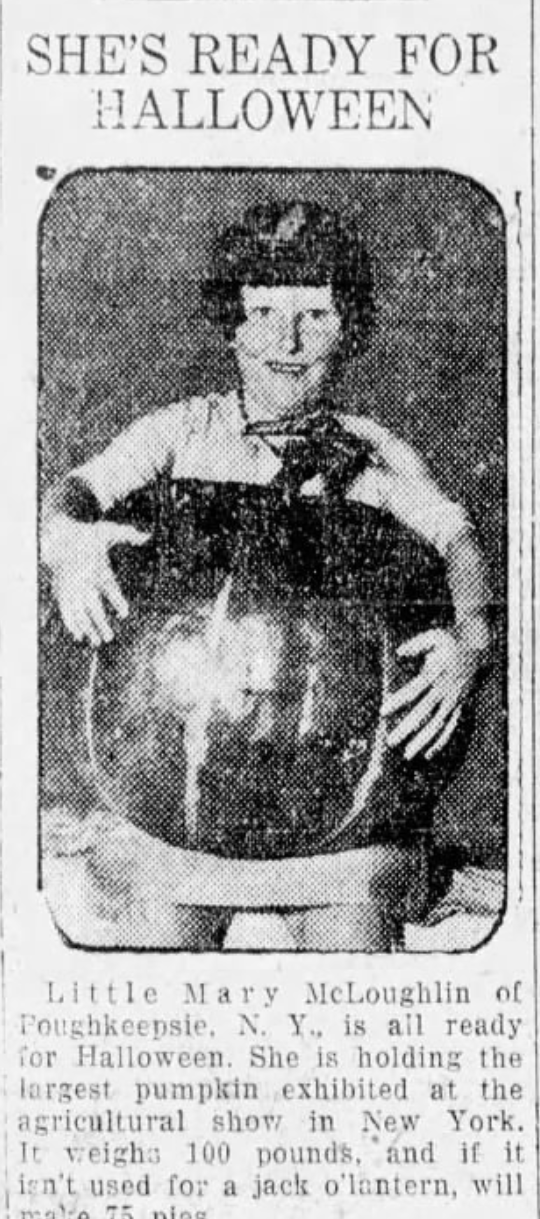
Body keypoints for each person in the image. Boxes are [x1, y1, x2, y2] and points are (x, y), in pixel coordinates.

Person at [41, 199, 492, 951]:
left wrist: (469, 641)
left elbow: (458, 539)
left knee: (351, 955)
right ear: (233, 323)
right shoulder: (184, 431)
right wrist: (67, 541)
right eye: (264, 313)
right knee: (162, 952)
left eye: (315, 315)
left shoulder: (373, 456)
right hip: (179, 811)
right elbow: (76, 491)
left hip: (335, 824)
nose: (287, 340)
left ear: (348, 328)